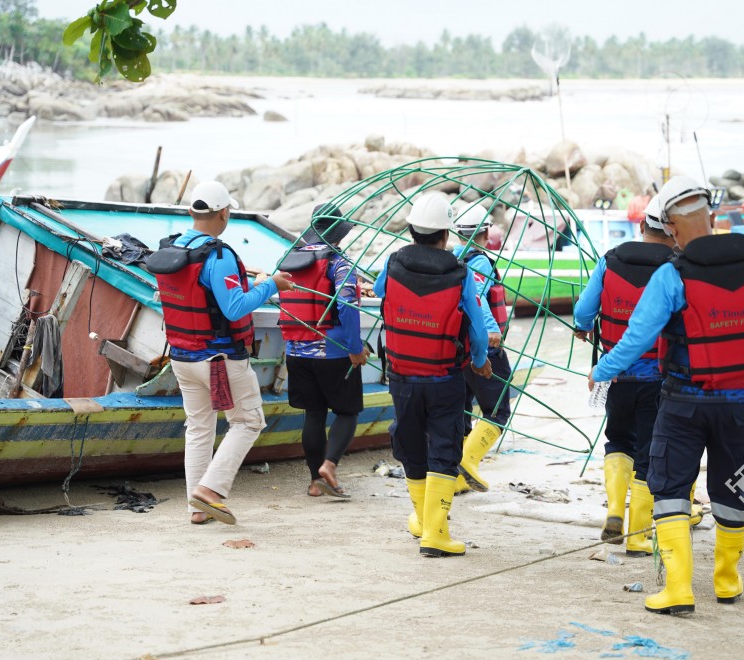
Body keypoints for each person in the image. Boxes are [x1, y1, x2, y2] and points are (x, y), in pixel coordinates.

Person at [588, 175, 744, 615]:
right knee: (734, 483)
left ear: (673, 230)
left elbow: (636, 338)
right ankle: (727, 581)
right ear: (714, 218)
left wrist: (601, 371)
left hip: (683, 402)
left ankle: (678, 588)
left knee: (671, 485)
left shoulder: (671, 275)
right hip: (742, 404)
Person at [146, 181, 294, 525]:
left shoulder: (173, 248)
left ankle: (197, 508)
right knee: (248, 420)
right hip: (220, 360)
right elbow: (234, 308)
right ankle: (210, 491)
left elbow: (210, 297)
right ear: (225, 213)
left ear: (191, 213)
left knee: (199, 428)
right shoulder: (219, 255)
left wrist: (257, 284)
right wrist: (272, 285)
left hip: (182, 357)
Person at [373, 192, 492, 557]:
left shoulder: (393, 264)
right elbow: (475, 325)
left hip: (402, 376)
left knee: (409, 443)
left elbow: (379, 291)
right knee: (444, 447)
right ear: (446, 235)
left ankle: (423, 522)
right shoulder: (460, 273)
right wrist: (480, 359)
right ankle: (435, 533)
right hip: (444, 378)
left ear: (411, 230)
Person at [573, 198, 677, 558]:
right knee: (648, 452)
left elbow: (584, 310)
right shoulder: (675, 267)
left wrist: (583, 328)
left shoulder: (610, 260)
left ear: (641, 227)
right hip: (658, 379)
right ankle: (636, 535)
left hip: (614, 374)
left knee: (617, 440)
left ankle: (614, 510)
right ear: (673, 231)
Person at [277, 203, 369, 499]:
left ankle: (315, 482)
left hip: (296, 352)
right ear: (339, 234)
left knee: (313, 415)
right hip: (334, 353)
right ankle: (329, 466)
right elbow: (347, 305)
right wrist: (355, 347)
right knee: (347, 411)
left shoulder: (291, 260)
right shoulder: (339, 262)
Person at [452, 202, 512, 494]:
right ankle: (469, 462)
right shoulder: (480, 261)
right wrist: (491, 329)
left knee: (461, 411)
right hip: (482, 345)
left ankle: (455, 479)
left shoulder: (451, 258)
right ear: (485, 232)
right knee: (498, 410)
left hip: (456, 349)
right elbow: (477, 295)